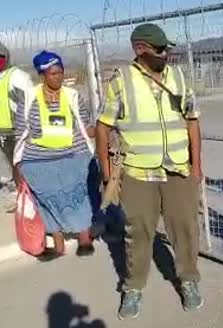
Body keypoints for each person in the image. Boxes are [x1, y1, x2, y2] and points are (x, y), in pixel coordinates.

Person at [95, 23, 203, 320]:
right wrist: (107, 173)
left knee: (184, 227)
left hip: (177, 170)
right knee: (138, 231)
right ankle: (133, 288)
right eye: (159, 49)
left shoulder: (179, 77)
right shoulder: (122, 81)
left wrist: (197, 166)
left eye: (167, 48)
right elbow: (103, 127)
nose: (165, 53)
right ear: (140, 49)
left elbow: (192, 120)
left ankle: (189, 281)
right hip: (137, 173)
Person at [13, 51, 96, 261]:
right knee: (47, 201)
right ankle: (58, 245)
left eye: (60, 72)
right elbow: (21, 131)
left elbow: (85, 125)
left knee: (79, 196)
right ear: (42, 75)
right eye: (52, 74)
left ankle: (84, 238)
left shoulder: (73, 96)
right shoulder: (29, 98)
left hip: (73, 156)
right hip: (38, 160)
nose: (58, 77)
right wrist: (18, 163)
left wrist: (103, 132)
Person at [0, 42, 35, 211]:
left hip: (18, 131)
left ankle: (29, 198)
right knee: (11, 167)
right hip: (3, 133)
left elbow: (30, 101)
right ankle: (18, 196)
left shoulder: (17, 76)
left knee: (23, 166)